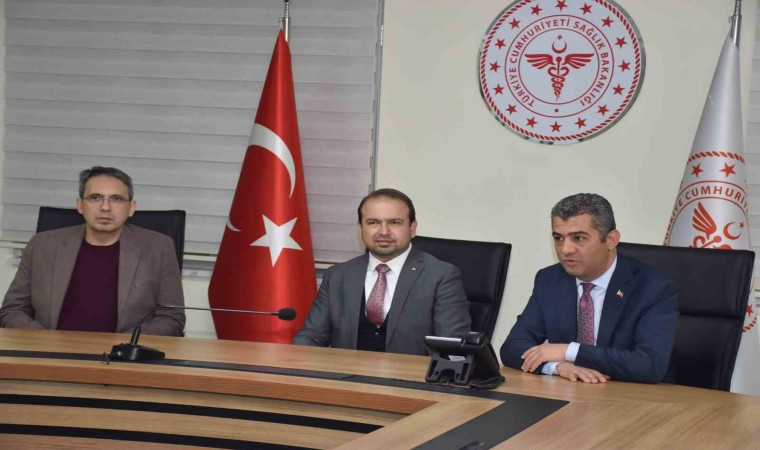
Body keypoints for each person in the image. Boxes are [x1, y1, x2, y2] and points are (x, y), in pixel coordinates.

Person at [500, 193, 679, 384]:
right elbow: (513, 347)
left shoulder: (652, 288)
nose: (565, 249)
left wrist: (568, 351)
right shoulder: (550, 280)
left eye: (578, 238)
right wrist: (557, 367)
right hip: (568, 392)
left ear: (611, 240)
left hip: (630, 395)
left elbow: (650, 365)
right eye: (559, 238)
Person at [0, 166, 185, 335]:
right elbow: (12, 310)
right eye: (95, 198)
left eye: (116, 199)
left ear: (131, 208)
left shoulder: (159, 248)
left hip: (124, 356)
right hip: (50, 352)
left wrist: (128, 345)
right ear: (80, 205)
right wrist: (44, 340)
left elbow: (172, 317)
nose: (105, 207)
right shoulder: (42, 245)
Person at [293, 188, 471, 355]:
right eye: (373, 222)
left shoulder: (441, 276)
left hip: (411, 376)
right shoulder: (338, 276)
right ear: (360, 229)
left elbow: (451, 346)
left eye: (394, 222)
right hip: (346, 374)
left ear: (412, 228)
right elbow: (311, 337)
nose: (384, 231)